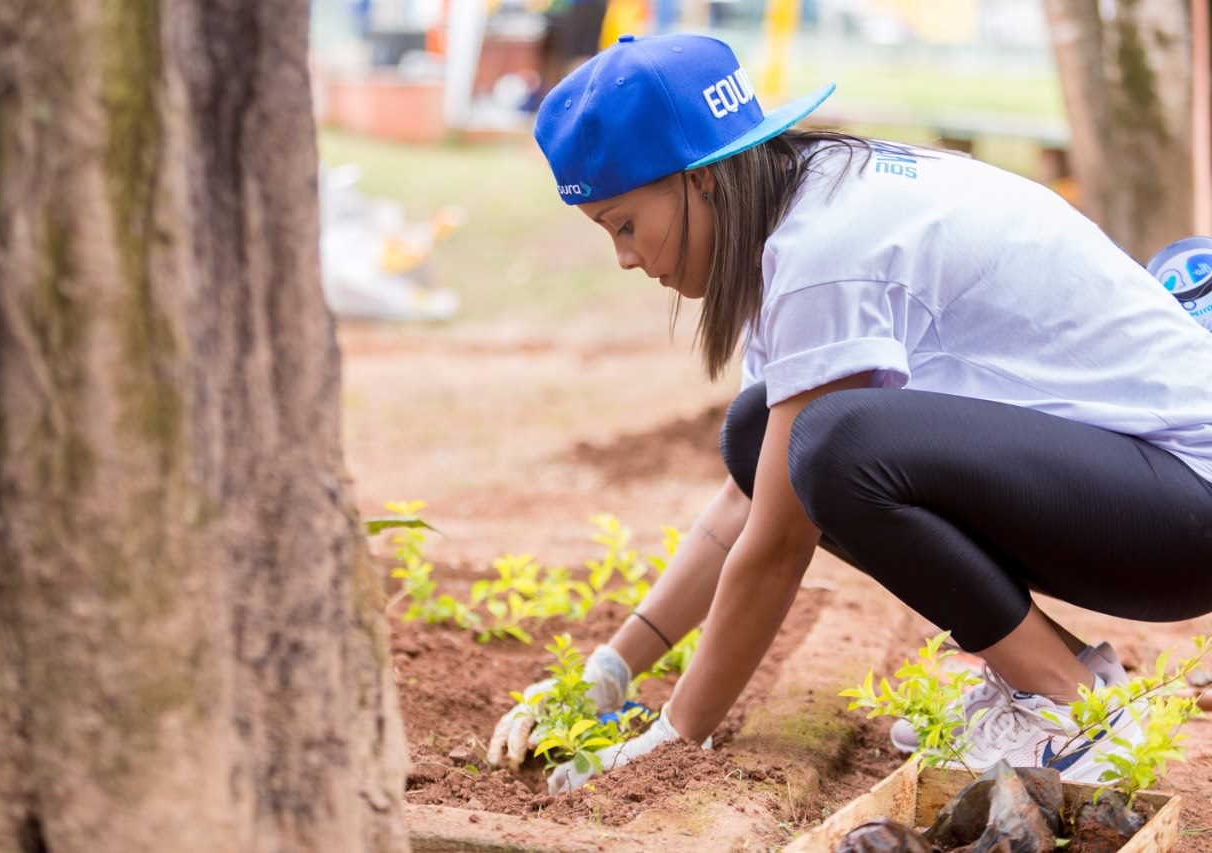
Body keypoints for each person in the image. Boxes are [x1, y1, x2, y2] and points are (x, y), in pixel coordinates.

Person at [488, 32, 1212, 794]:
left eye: (623, 223)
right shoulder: (809, 197)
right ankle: (1061, 675)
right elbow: (749, 496)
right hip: (1143, 489)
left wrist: (674, 738)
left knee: (833, 445)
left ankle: (1069, 712)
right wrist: (611, 670)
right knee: (760, 430)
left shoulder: (819, 251)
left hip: (1184, 505)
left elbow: (776, 541)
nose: (626, 259)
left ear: (698, 179)